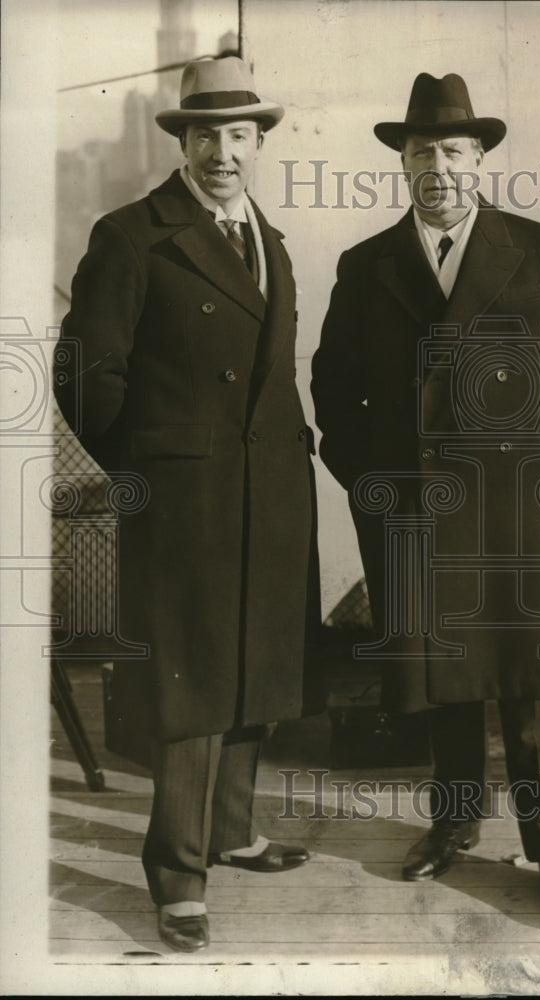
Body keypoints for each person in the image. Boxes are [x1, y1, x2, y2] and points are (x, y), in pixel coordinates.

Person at [311, 72, 540, 929]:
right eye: (421, 153)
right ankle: (453, 827)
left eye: (454, 150)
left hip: (524, 501)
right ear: (402, 164)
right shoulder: (367, 263)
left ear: (480, 158)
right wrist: (366, 481)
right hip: (416, 509)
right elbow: (330, 384)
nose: (438, 166)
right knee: (443, 684)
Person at [54, 56, 324, 953]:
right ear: (184, 142)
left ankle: (232, 830)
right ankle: (176, 873)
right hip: (184, 501)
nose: (223, 152)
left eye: (239, 135)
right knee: (189, 686)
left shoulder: (271, 240)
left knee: (254, 670)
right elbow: (86, 375)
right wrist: (149, 471)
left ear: (259, 144)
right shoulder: (135, 236)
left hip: (271, 494)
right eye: (206, 134)